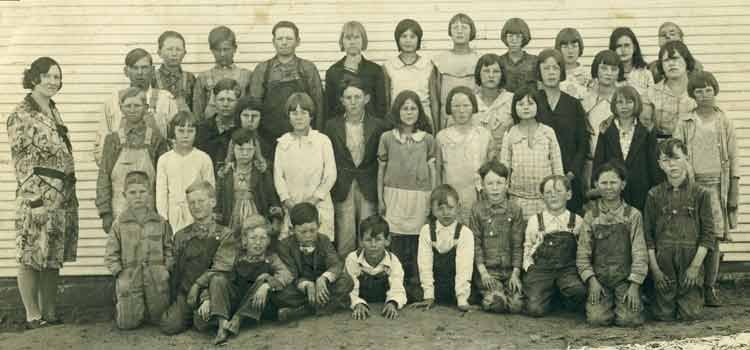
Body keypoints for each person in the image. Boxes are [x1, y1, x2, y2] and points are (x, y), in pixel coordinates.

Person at [7, 57, 79, 329]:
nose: (53, 81)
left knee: (52, 255)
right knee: (30, 254)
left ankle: (50, 312)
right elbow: (22, 162)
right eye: (48, 76)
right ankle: (32, 315)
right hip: (36, 197)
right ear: (34, 78)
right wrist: (34, 201)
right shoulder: (21, 114)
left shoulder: (52, 110)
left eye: (57, 77)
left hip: (60, 197)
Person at [674, 71, 738, 307]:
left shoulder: (724, 121)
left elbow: (734, 158)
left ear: (715, 90)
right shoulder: (685, 121)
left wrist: (733, 190)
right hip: (692, 185)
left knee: (712, 238)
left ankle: (710, 286)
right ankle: (692, 287)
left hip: (717, 187)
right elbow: (676, 154)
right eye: (699, 91)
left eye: (708, 89)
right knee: (692, 235)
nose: (704, 95)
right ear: (692, 94)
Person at [644, 138, 714, 321]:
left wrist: (695, 267)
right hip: (663, 262)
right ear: (659, 164)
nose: (671, 164)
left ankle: (693, 296)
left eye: (676, 158)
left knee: (689, 315)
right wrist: (656, 270)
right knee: (663, 315)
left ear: (686, 158)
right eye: (666, 160)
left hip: (690, 260)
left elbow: (708, 235)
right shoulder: (653, 194)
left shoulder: (701, 194)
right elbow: (648, 236)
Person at [377, 90, 437, 302]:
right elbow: (381, 171)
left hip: (420, 196)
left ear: (419, 112)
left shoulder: (427, 139)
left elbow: (432, 172)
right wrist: (380, 198)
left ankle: (415, 286)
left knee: (417, 242)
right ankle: (395, 286)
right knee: (396, 241)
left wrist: (432, 199)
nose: (409, 112)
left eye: (413, 108)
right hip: (393, 195)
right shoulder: (387, 138)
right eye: (405, 108)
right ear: (397, 111)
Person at [197, 215, 293, 344]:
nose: (258, 243)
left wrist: (267, 285)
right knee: (217, 279)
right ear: (244, 240)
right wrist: (206, 299)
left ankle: (238, 320)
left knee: (264, 278)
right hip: (234, 301)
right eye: (253, 238)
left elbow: (286, 275)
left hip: (254, 306)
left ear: (268, 240)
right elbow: (215, 274)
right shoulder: (236, 256)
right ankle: (222, 325)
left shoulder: (271, 258)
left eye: (262, 238)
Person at [159, 181, 236, 335]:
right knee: (169, 325)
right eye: (191, 203)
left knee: (203, 324)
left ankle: (212, 315)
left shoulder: (225, 234)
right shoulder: (181, 236)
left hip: (213, 291)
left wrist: (200, 288)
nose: (196, 206)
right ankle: (193, 315)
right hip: (187, 292)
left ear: (212, 202)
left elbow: (221, 267)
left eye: (201, 201)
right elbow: (175, 267)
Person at [324, 79, 390, 255]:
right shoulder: (331, 126)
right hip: (343, 184)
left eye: (357, 97)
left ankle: (367, 270)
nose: (353, 102)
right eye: (348, 97)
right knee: (345, 232)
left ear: (366, 99)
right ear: (342, 100)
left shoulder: (378, 125)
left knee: (368, 230)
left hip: (368, 184)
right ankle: (346, 275)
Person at [577, 162, 647, 327]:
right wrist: (592, 281)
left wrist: (634, 286)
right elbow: (582, 254)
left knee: (629, 320)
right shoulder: (591, 216)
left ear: (623, 185)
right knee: (597, 320)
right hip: (600, 280)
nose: (609, 187)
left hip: (625, 280)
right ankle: (600, 303)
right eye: (604, 183)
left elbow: (640, 253)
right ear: (596, 185)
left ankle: (637, 300)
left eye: (613, 182)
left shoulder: (633, 215)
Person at [105, 171, 174, 330]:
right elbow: (111, 254)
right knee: (127, 324)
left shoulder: (160, 222)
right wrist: (119, 273)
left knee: (160, 319)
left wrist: (166, 269)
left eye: (142, 192)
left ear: (149, 193)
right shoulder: (119, 224)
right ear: (124, 195)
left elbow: (169, 249)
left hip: (156, 278)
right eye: (132, 192)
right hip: (130, 277)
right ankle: (126, 307)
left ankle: (150, 311)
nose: (138, 196)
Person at [249, 21, 325, 161]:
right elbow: (254, 106)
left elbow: (319, 105)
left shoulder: (307, 69)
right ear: (273, 42)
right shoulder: (262, 70)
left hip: (303, 137)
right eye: (280, 39)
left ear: (298, 41)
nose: (284, 42)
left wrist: (316, 136)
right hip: (269, 140)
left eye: (289, 38)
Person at [96, 88, 169, 232]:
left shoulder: (156, 139)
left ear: (146, 108)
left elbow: (163, 179)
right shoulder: (113, 140)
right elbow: (104, 176)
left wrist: (162, 212)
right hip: (119, 208)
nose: (132, 110)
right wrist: (105, 212)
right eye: (128, 106)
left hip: (150, 208)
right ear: (121, 108)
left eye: (137, 106)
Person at [94, 48, 178, 166]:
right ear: (126, 71)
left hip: (157, 171)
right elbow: (102, 141)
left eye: (144, 67)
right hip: (121, 172)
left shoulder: (166, 100)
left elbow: (176, 140)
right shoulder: (113, 102)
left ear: (152, 70)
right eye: (134, 67)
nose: (140, 72)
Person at [274, 92, 337, 241]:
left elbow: (330, 175)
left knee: (319, 246)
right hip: (292, 206)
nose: (299, 117)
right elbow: (278, 177)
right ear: (288, 116)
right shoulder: (283, 143)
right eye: (294, 113)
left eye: (303, 112)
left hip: (318, 205)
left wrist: (313, 201)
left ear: (311, 116)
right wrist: (289, 203)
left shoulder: (322, 141)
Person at [274, 203, 352, 321]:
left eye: (312, 230)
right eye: (303, 232)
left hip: (323, 287)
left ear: (319, 225)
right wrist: (307, 285)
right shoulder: (284, 246)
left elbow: (335, 264)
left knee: (346, 281)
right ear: (292, 229)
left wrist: (323, 279)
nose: (308, 236)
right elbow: (291, 275)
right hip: (300, 288)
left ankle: (303, 311)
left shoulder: (324, 240)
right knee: (280, 294)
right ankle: (324, 307)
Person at [522, 175, 585, 316]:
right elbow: (527, 248)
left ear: (568, 195)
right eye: (548, 192)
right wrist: (529, 268)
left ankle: (560, 297)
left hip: (567, 269)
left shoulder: (577, 221)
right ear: (542, 197)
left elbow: (583, 251)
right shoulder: (535, 220)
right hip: (541, 269)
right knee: (534, 309)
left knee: (578, 292)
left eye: (558, 191)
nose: (553, 196)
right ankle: (546, 295)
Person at [535, 48, 589, 214]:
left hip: (568, 178)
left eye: (555, 68)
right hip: (538, 177)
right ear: (539, 71)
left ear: (562, 72)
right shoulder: (531, 102)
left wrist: (571, 174)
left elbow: (583, 144)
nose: (551, 73)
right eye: (546, 68)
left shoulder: (573, 104)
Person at [592, 86, 660, 211]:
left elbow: (653, 162)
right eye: (620, 102)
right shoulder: (606, 129)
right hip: (613, 189)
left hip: (640, 188)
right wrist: (597, 184)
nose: (624, 106)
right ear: (614, 105)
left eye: (629, 102)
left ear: (636, 104)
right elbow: (599, 159)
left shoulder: (646, 130)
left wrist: (656, 187)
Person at [470, 160, 524, 314]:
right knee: (496, 303)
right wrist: (483, 273)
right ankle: (492, 295)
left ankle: (506, 295)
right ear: (482, 185)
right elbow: (476, 244)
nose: (495, 188)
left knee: (516, 306)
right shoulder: (477, 210)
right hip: (488, 271)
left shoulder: (515, 209)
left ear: (507, 184)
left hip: (509, 271)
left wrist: (515, 274)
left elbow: (518, 244)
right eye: (490, 183)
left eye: (499, 183)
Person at [500, 87, 564, 218]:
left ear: (538, 106)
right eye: (520, 104)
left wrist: (558, 192)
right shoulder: (510, 133)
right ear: (514, 107)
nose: (525, 108)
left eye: (530, 103)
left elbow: (557, 167)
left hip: (545, 199)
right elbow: (504, 167)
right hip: (517, 198)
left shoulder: (548, 132)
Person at [410, 184, 474, 311]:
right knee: (411, 293)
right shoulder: (426, 231)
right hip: (434, 286)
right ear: (432, 210)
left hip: (455, 287)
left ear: (458, 207)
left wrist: (462, 299)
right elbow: (425, 265)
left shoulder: (465, 233)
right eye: (440, 209)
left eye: (450, 208)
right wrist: (429, 296)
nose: (446, 213)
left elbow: (464, 267)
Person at [436, 86, 492, 223]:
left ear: (473, 107)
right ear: (450, 108)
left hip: (476, 195)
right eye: (456, 106)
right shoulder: (442, 137)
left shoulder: (484, 134)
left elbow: (489, 168)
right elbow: (438, 170)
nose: (461, 110)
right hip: (450, 195)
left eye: (466, 105)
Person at [156, 111, 215, 233]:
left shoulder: (203, 158)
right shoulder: (165, 160)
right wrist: (164, 219)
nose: (185, 135)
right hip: (173, 214)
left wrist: (206, 215)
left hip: (197, 212)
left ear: (196, 133)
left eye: (190, 131)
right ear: (174, 132)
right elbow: (161, 193)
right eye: (181, 131)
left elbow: (210, 190)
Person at [215, 128, 280, 232]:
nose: (245, 153)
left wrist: (276, 219)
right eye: (240, 149)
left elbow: (271, 196)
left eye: (249, 149)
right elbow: (218, 199)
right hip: (232, 216)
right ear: (233, 150)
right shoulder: (225, 173)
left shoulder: (261, 172)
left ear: (255, 150)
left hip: (256, 215)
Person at [345, 215, 406, 320]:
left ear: (387, 240)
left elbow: (398, 288)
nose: (373, 245)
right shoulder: (353, 259)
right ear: (361, 241)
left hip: (383, 300)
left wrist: (392, 303)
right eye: (368, 240)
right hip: (362, 298)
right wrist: (357, 303)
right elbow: (350, 289)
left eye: (378, 239)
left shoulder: (393, 260)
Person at [383, 19, 439, 132]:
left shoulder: (428, 65)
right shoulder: (388, 66)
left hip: (423, 121)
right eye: (404, 36)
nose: (408, 40)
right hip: (398, 121)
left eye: (412, 36)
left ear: (418, 40)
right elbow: (387, 101)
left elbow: (434, 101)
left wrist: (436, 129)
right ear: (397, 39)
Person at [325, 21, 387, 121]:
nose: (352, 42)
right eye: (348, 38)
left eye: (356, 37)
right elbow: (329, 108)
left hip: (370, 129)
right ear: (342, 41)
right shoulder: (333, 72)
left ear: (363, 40)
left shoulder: (375, 70)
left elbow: (381, 107)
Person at [582, 50, 626, 188]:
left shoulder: (624, 101)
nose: (609, 73)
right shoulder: (585, 100)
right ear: (596, 69)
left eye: (613, 69)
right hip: (590, 164)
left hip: (617, 166)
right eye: (604, 68)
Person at [192, 26, 252, 121]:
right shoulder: (203, 78)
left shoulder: (246, 76)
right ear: (211, 50)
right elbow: (198, 112)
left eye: (226, 49)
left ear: (234, 48)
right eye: (218, 50)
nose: (222, 54)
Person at [434, 13, 482, 130]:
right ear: (450, 32)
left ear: (471, 31)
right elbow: (436, 96)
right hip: (448, 116)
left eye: (464, 27)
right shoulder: (441, 59)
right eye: (455, 27)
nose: (459, 31)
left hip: (473, 116)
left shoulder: (478, 59)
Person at [643, 41, 698, 139]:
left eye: (675, 58)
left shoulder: (699, 91)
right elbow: (645, 126)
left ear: (686, 61)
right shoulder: (650, 94)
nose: (671, 64)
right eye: (666, 60)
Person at [195, 78, 241, 172]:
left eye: (230, 100)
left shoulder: (241, 129)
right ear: (215, 101)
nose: (225, 104)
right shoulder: (202, 129)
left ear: (237, 102)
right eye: (221, 99)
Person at [473, 53, 514, 152]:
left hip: (504, 156)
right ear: (479, 73)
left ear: (502, 75)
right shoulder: (471, 101)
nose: (491, 75)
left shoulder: (512, 100)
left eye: (496, 71)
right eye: (486, 71)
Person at [154, 30, 196, 113]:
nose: (174, 53)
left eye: (178, 49)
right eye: (169, 49)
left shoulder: (190, 78)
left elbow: (195, 108)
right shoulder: (152, 77)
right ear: (159, 52)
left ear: (184, 53)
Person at [609, 27, 654, 95]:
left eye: (627, 45)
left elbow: (652, 99)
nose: (623, 50)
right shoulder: (608, 74)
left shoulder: (646, 74)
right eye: (619, 46)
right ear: (613, 49)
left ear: (634, 47)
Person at [498, 18, 538, 93]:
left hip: (528, 103)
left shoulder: (534, 61)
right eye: (510, 36)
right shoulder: (499, 61)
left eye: (518, 37)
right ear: (505, 38)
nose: (514, 40)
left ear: (524, 38)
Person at [556, 28, 591, 99]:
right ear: (559, 49)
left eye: (574, 46)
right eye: (565, 47)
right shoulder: (554, 73)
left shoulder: (588, 76)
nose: (570, 51)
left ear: (580, 48)